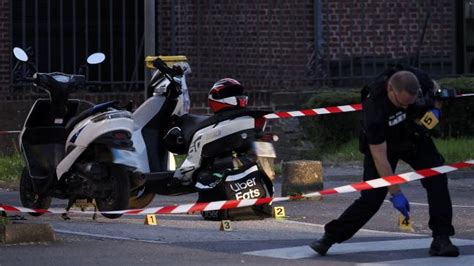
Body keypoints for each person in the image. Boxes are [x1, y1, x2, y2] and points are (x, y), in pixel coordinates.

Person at [310, 65, 459, 257]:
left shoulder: (415, 79)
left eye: (410, 103)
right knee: (371, 199)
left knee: (437, 178)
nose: (406, 107)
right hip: (384, 145)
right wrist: (396, 193)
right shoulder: (375, 108)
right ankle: (329, 237)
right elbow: (380, 158)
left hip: (413, 137)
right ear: (390, 89)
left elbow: (436, 91)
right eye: (402, 103)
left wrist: (435, 111)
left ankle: (442, 238)